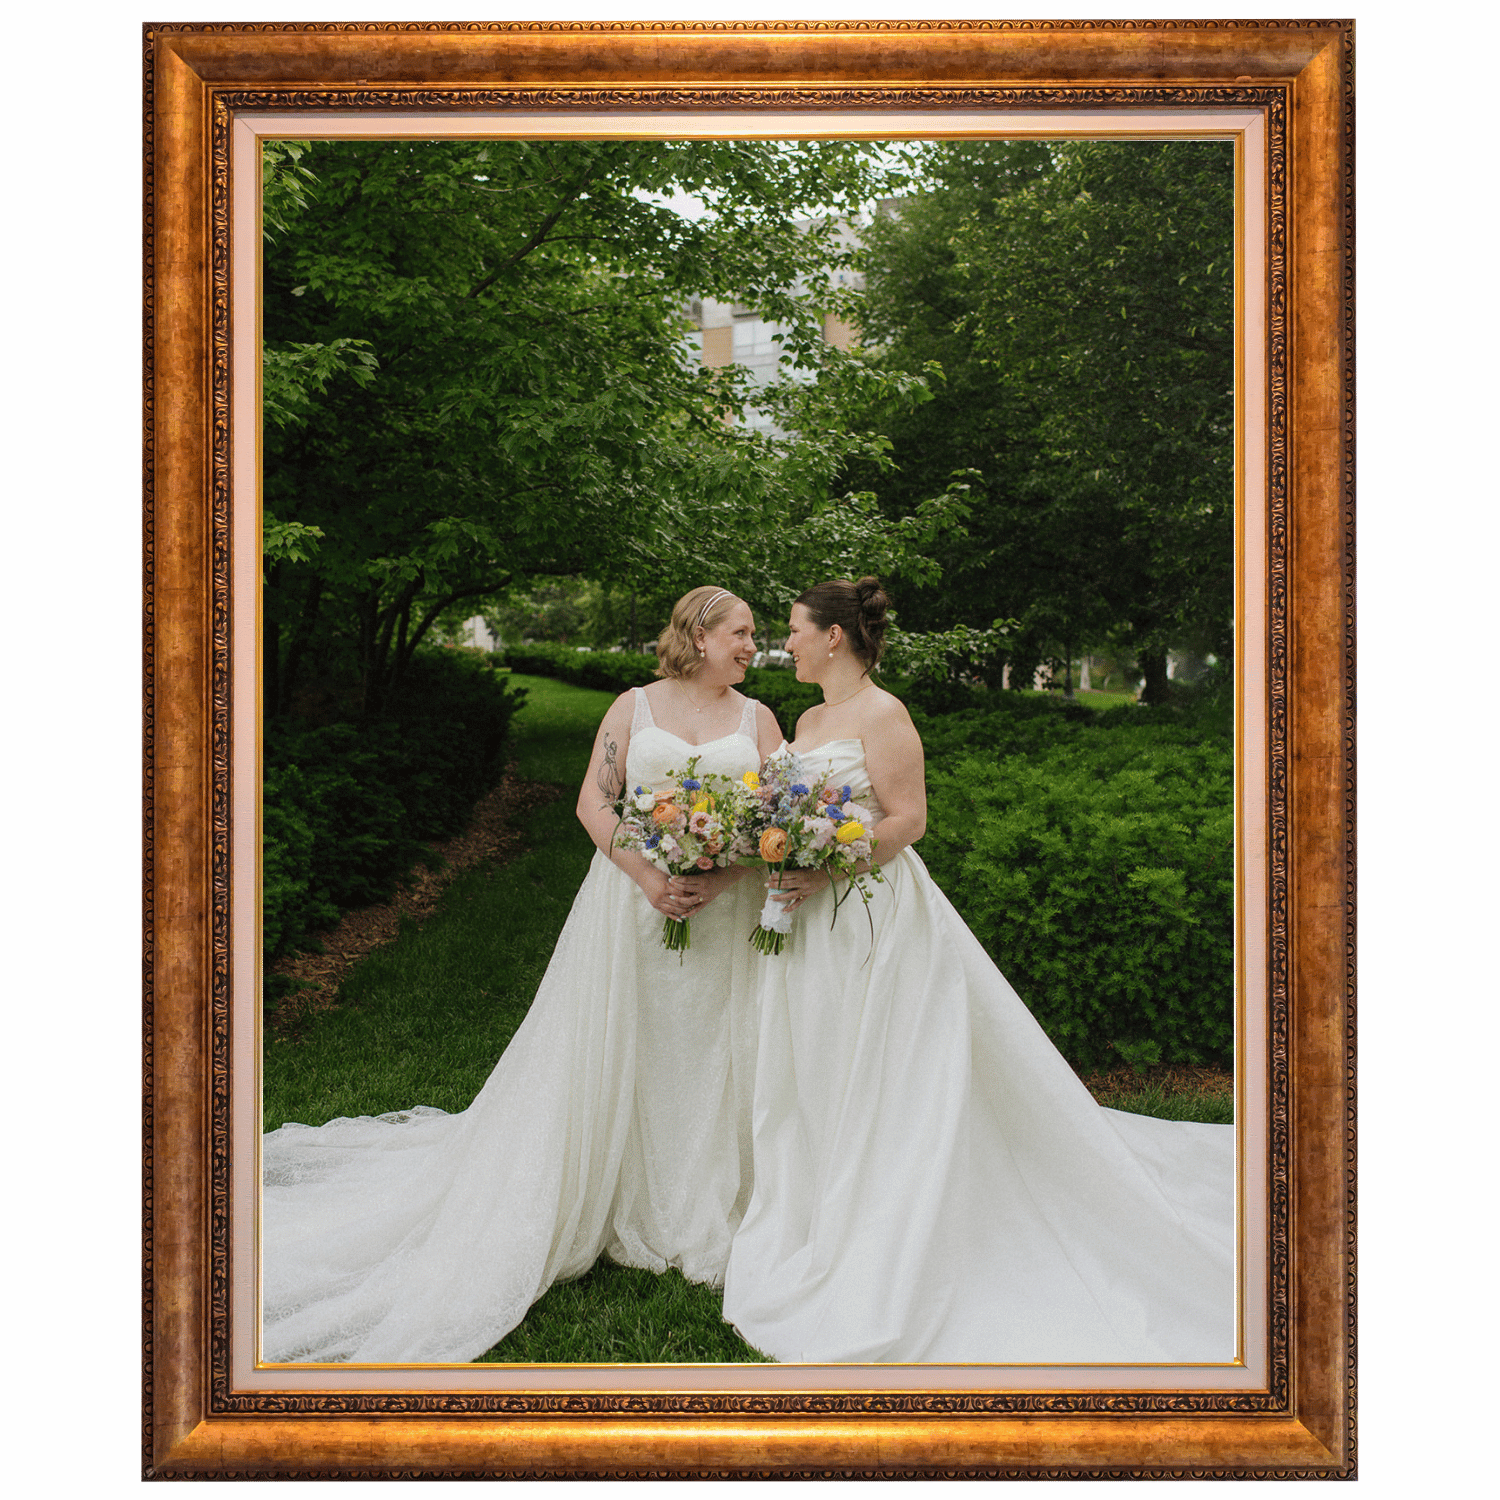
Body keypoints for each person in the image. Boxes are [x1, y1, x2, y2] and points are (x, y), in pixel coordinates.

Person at [261, 586, 782, 1363]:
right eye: (742, 632)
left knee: (710, 1041)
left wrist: (719, 877)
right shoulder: (632, 708)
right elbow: (595, 802)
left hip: (723, 913)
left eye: (755, 635)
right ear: (700, 635)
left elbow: (773, 823)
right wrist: (649, 877)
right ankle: (604, 1184)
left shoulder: (758, 721)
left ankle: (698, 1194)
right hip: (632, 903)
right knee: (623, 1037)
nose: (752, 645)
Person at [721, 577, 1235, 1365]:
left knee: (889, 1069)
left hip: (871, 915)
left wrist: (829, 867)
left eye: (793, 629)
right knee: (823, 1056)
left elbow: (908, 820)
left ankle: (889, 1219)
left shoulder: (885, 715)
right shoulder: (810, 718)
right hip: (812, 921)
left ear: (833, 638)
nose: (784, 643)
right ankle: (819, 1198)